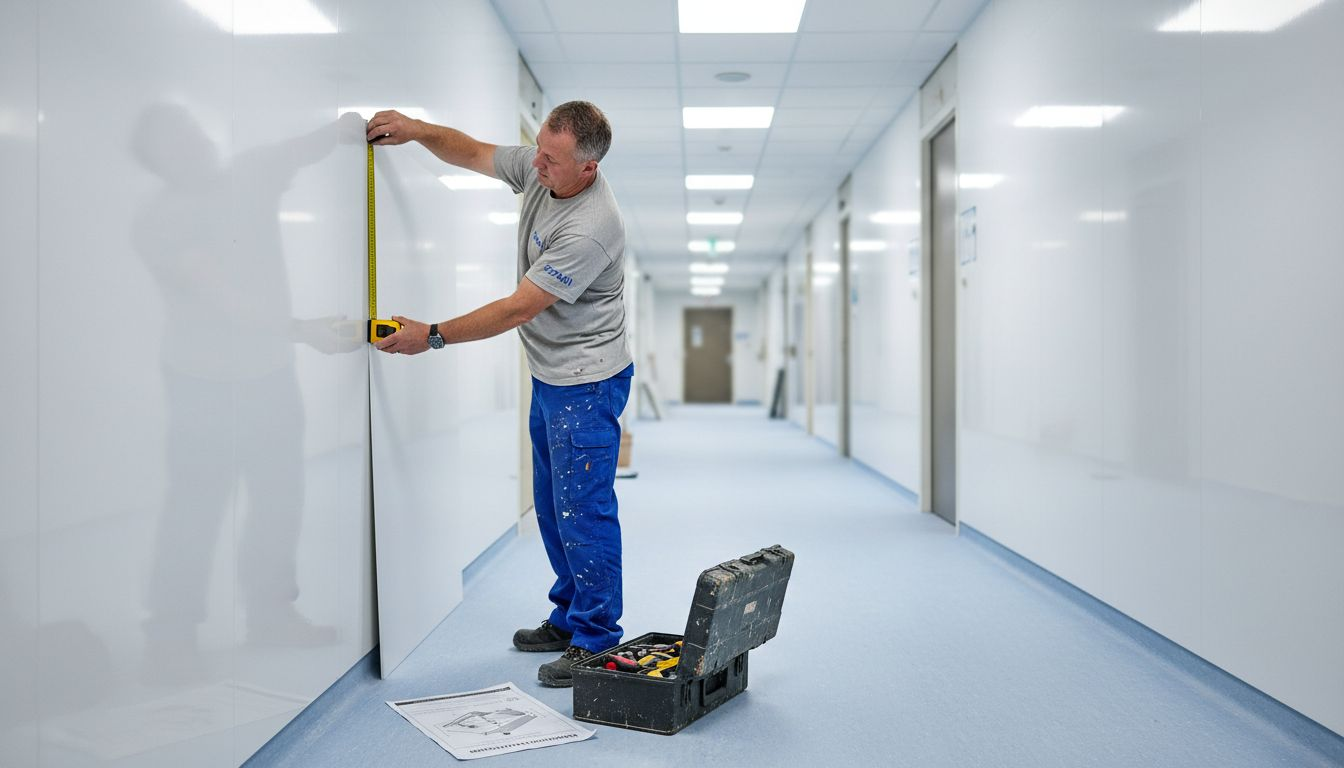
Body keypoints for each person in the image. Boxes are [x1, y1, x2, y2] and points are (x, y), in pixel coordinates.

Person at [366, 101, 632, 687]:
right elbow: (474, 152)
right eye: (538, 148)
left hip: (586, 381)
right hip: (552, 375)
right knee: (551, 504)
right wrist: (417, 131)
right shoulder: (544, 167)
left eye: (552, 159)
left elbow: (518, 307)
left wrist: (430, 336)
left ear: (586, 169)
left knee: (582, 509)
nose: (536, 163)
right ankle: (569, 617)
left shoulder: (591, 226)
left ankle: (596, 639)